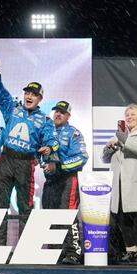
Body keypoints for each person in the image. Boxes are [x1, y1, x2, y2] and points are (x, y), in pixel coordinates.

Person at [0, 63, 57, 244]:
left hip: (25, 164)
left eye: (33, 94)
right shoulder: (13, 108)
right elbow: (0, 95)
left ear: (40, 98)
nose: (29, 96)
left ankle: (26, 244)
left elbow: (51, 141)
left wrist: (49, 149)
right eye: (27, 93)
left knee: (25, 205)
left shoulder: (44, 120)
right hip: (6, 160)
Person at [104, 104, 137, 263]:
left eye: (133, 114)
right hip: (121, 186)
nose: (129, 117)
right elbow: (105, 159)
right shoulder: (121, 136)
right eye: (127, 115)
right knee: (123, 219)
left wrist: (124, 140)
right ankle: (130, 250)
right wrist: (109, 148)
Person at [46, 101, 88, 264]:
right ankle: (55, 250)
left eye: (62, 112)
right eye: (56, 111)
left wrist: (60, 166)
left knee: (67, 214)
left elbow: (82, 158)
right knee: (50, 214)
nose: (58, 114)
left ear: (68, 116)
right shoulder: (47, 131)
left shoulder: (73, 133)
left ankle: (72, 251)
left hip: (69, 179)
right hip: (50, 180)